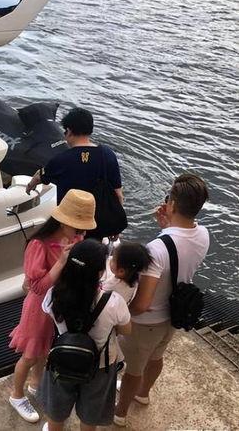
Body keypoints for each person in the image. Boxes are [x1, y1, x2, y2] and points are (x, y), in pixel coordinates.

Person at [114, 173, 210, 427]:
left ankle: (120, 413)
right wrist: (166, 228)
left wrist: (120, 315)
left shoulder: (156, 249)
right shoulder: (203, 234)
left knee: (133, 370)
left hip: (148, 322)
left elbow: (143, 303)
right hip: (174, 316)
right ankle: (143, 394)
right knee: (156, 357)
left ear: (172, 204)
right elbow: (180, 250)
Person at [9, 189, 97, 423]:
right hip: (39, 309)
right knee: (30, 354)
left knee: (46, 349)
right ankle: (16, 395)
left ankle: (36, 384)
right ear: (64, 221)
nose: (82, 233)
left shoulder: (76, 239)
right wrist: (61, 262)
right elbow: (37, 287)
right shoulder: (39, 244)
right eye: (78, 228)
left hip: (60, 307)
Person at [39, 239, 132, 431]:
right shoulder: (114, 302)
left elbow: (50, 317)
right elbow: (126, 330)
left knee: (56, 413)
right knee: (90, 417)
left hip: (63, 361)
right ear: (100, 272)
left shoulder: (53, 295)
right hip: (100, 366)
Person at [25, 107, 123, 207]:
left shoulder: (61, 159)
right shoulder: (107, 154)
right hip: (97, 213)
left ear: (69, 131)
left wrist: (29, 187)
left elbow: (38, 177)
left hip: (69, 213)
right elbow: (118, 194)